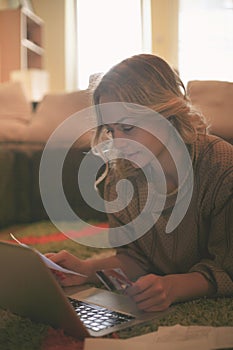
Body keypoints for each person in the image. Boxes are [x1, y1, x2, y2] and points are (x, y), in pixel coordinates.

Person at [47, 54, 233, 312]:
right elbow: (134, 259)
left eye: (128, 127)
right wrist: (85, 270)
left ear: (166, 114)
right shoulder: (121, 174)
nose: (118, 143)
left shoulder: (221, 167)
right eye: (111, 130)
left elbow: (228, 269)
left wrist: (174, 287)